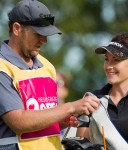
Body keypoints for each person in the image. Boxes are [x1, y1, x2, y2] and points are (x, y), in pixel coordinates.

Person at [0, 0, 100, 150]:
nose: (44, 40)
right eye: (38, 34)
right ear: (16, 28)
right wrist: (71, 107)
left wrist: (64, 120)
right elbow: (19, 122)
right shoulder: (2, 68)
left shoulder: (47, 66)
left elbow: (49, 117)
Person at [76, 32, 128, 150]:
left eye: (116, 60)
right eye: (107, 59)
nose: (109, 66)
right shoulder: (92, 99)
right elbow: (81, 143)